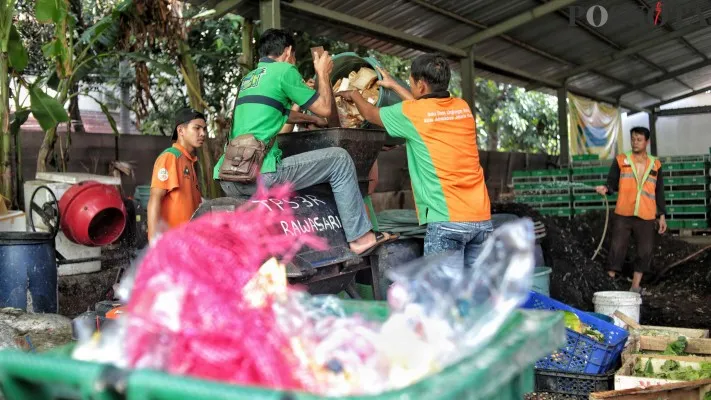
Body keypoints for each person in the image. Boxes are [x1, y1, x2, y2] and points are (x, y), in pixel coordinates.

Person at [214, 28, 397, 256]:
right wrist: (322, 73)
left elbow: (279, 112)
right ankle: (360, 238)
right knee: (339, 159)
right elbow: (325, 108)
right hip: (261, 175)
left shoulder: (249, 79)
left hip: (229, 176)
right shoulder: (285, 70)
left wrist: (310, 119)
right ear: (288, 51)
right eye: (293, 56)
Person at [336, 53, 493, 265]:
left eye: (410, 83)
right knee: (477, 293)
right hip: (481, 218)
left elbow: (371, 114)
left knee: (441, 295)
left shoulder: (412, 113)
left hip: (446, 218)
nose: (409, 87)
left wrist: (354, 95)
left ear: (420, 85)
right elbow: (423, 111)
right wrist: (395, 86)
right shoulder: (461, 108)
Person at [596, 127, 667, 293]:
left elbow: (659, 191)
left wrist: (661, 215)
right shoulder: (621, 159)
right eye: (633, 139)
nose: (635, 143)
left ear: (646, 142)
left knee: (645, 250)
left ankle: (635, 286)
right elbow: (612, 182)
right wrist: (606, 188)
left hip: (646, 213)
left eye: (639, 140)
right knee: (617, 247)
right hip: (624, 212)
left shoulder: (655, 164)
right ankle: (610, 282)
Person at [147, 108, 207, 243]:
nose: (202, 133)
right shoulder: (170, 157)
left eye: (204, 129)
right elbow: (154, 199)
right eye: (197, 128)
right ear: (181, 131)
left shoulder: (189, 161)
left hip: (187, 241)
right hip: (172, 243)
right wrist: (153, 239)